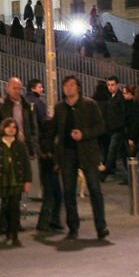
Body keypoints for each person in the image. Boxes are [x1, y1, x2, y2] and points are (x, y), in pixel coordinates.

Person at [51, 76, 108, 242]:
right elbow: (54, 130)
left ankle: (101, 226)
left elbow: (101, 126)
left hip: (87, 152)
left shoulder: (89, 105)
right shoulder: (60, 108)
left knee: (95, 191)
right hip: (67, 153)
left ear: (78, 88)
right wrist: (52, 153)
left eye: (71, 85)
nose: (68, 88)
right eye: (65, 85)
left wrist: (84, 134)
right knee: (69, 192)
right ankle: (73, 227)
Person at [26, 78, 63, 234]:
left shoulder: (27, 102)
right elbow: (42, 126)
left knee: (53, 190)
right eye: (40, 87)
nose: (42, 89)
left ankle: (52, 220)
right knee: (52, 190)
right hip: (46, 153)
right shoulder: (37, 104)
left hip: (42, 150)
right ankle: (46, 221)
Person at [0, 116, 30, 246]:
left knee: (15, 206)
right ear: (3, 128)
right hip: (3, 180)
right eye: (8, 126)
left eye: (14, 127)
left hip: (16, 180)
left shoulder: (20, 145)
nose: (11, 129)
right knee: (5, 206)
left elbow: (26, 164)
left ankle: (14, 234)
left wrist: (27, 181)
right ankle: (6, 230)